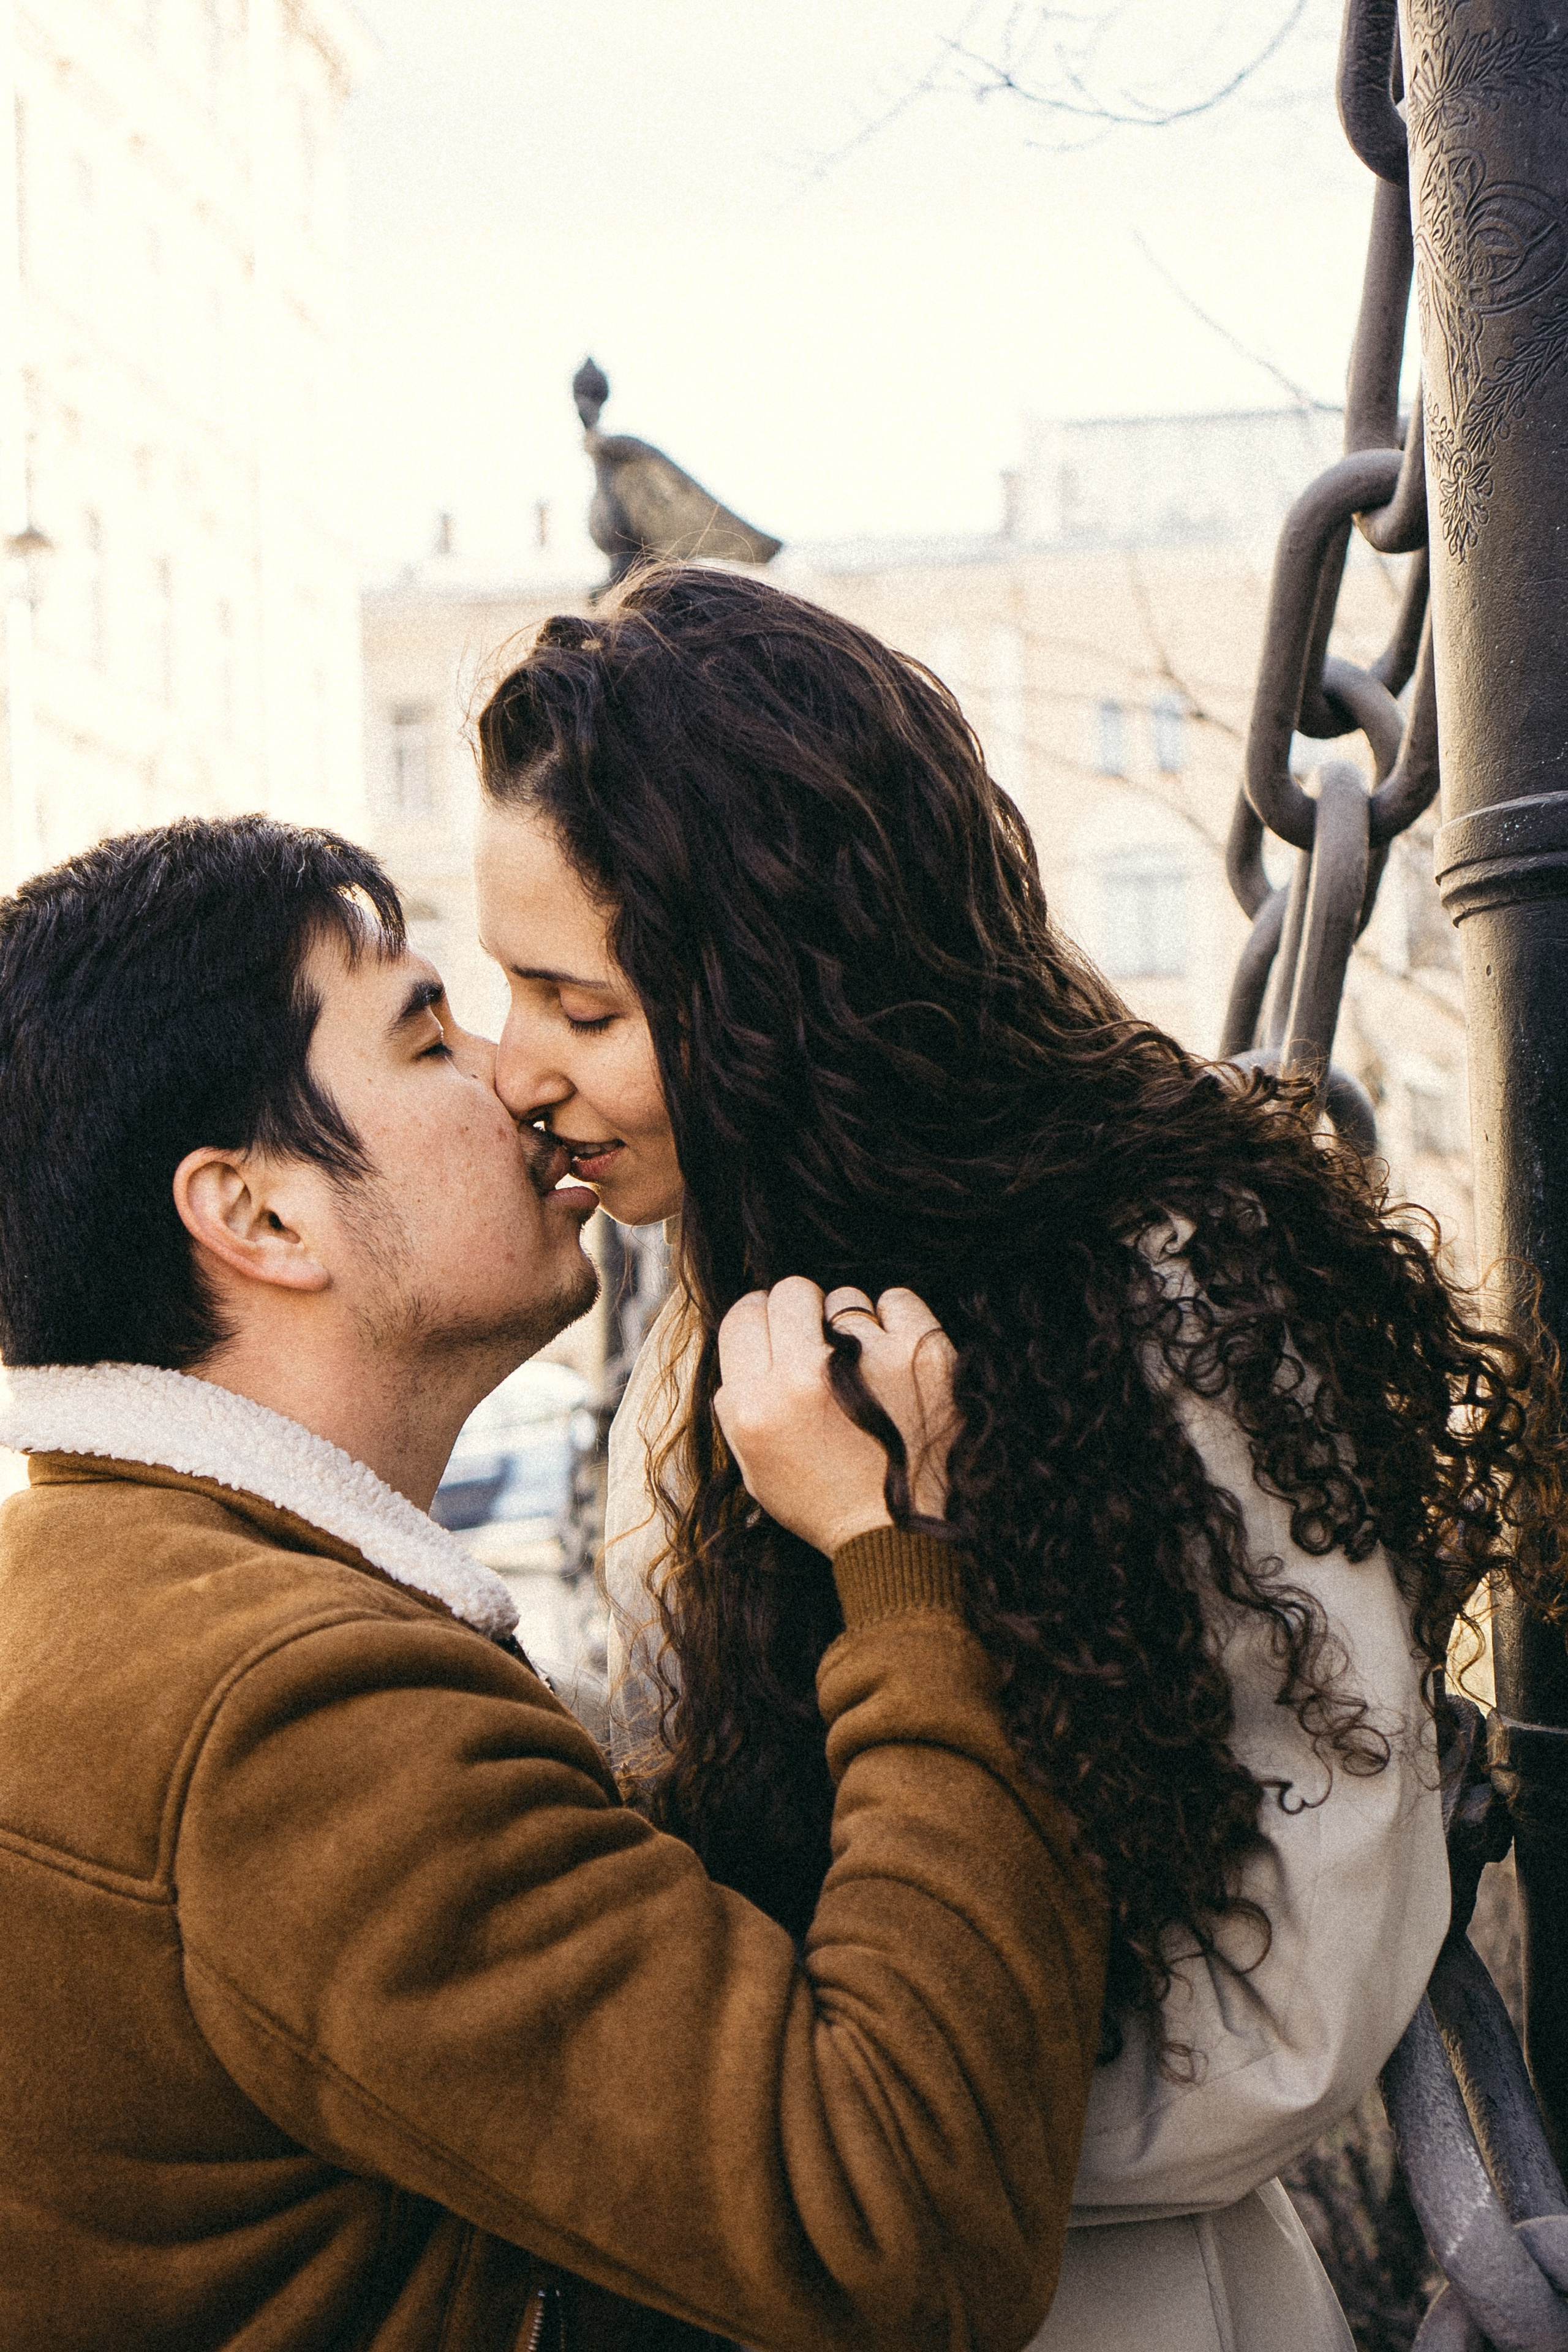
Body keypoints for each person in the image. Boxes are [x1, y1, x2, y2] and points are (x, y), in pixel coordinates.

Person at [470, 563, 1567, 2352]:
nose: (519, 1069)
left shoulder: (1164, 1285)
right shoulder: (739, 1284)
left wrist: (832, 2139)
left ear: (780, 997)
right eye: (503, 987)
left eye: (582, 1011)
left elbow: (1303, 1996)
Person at [0, 816, 1110, 2352]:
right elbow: (899, 2233)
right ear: (257, 1213)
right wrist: (902, 1568)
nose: (515, 1077)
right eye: (424, 1033)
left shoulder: (83, 1588)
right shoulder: (287, 1719)